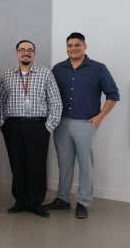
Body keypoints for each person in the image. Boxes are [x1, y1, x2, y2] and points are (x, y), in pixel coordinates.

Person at [43, 32, 119, 219]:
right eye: (70, 45)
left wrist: (99, 117)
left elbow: (113, 95)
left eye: (77, 45)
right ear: (66, 47)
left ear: (85, 46)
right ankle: (62, 199)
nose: (73, 48)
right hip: (61, 123)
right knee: (64, 163)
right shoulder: (58, 69)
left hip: (86, 124)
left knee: (86, 165)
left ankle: (83, 202)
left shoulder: (99, 69)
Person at [0, 40, 62, 218]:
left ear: (34, 53)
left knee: (36, 166)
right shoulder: (7, 75)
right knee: (17, 165)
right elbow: (0, 102)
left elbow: (56, 103)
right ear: (16, 53)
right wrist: (4, 124)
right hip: (13, 125)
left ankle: (35, 203)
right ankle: (20, 201)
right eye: (22, 50)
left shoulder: (45, 74)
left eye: (30, 50)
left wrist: (47, 128)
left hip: (37, 126)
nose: (26, 53)